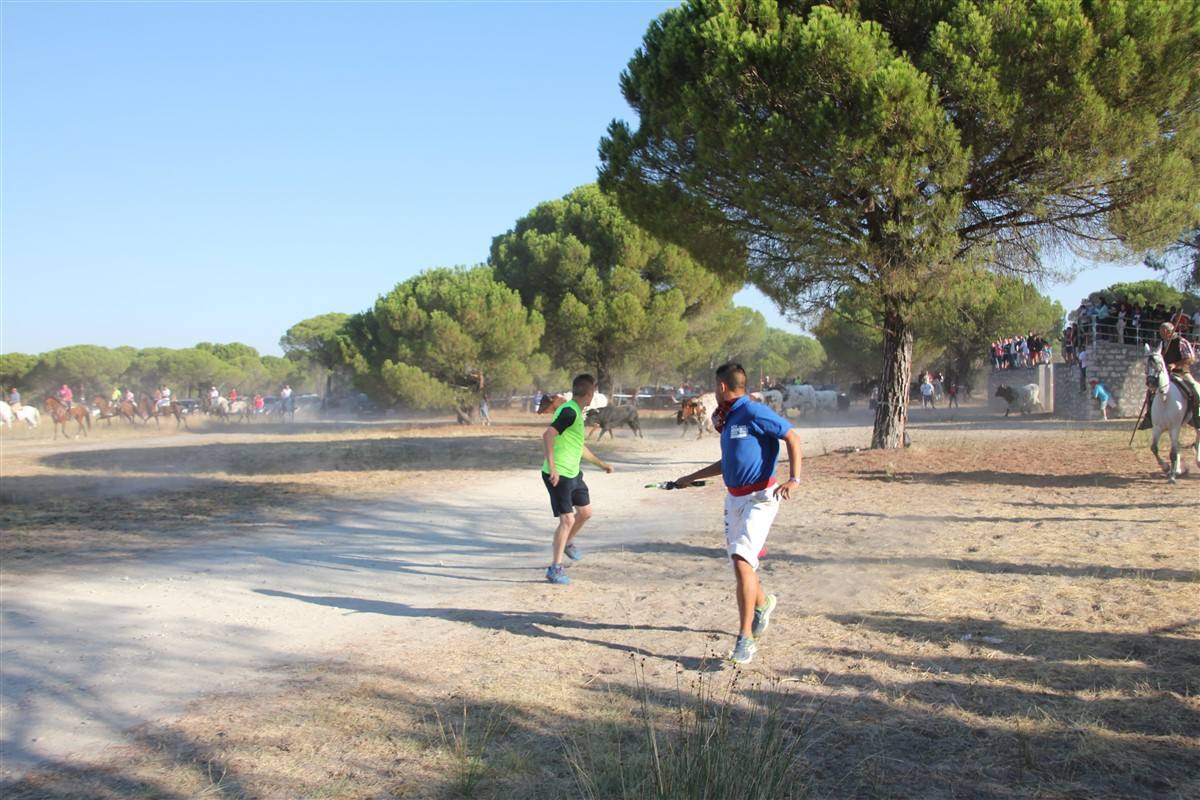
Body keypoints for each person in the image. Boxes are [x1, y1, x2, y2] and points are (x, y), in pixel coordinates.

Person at [673, 362, 802, 665]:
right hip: (734, 500)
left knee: (743, 561)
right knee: (742, 566)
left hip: (761, 498)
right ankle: (763, 603)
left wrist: (795, 479)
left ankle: (745, 639)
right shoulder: (728, 418)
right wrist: (689, 478)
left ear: (721, 387)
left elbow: (793, 437)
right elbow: (728, 462)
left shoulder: (753, 411)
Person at [541, 374, 613, 585]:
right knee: (568, 520)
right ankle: (555, 568)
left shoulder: (576, 413)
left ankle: (568, 542)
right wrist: (553, 467)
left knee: (585, 512)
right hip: (559, 474)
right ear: (589, 394)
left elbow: (578, 447)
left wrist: (602, 464)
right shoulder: (570, 412)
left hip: (573, 473)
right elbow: (548, 435)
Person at [1158, 322, 1200, 425]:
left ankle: (1197, 416)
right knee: (1151, 390)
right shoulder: (1162, 343)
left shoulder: (1181, 342)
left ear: (1169, 331)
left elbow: (1191, 359)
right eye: (1160, 332)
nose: (1161, 334)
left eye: (1163, 331)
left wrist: (1175, 365)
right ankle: (1150, 417)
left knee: (1196, 390)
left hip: (1181, 373)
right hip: (1165, 374)